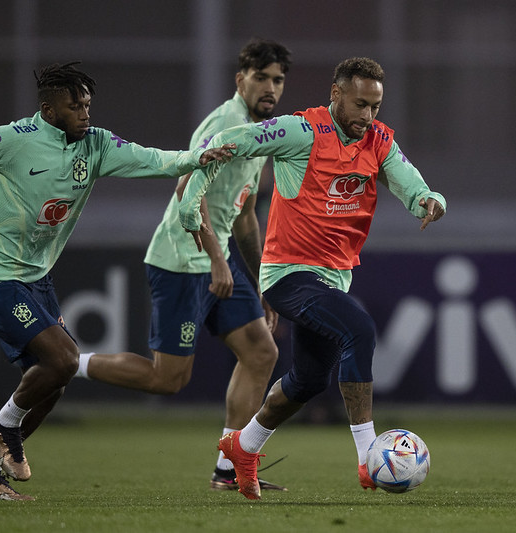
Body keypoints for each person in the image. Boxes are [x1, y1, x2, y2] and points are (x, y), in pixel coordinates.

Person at [0, 62, 234, 501]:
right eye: (75, 107)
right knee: (63, 359)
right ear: (49, 109)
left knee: (54, 380)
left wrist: (195, 157)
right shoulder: (13, 140)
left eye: (88, 104)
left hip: (36, 279)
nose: (85, 114)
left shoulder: (96, 145)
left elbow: (153, 159)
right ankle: (2, 424)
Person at [178, 57, 446, 500]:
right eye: (360, 104)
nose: (368, 116)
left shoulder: (378, 140)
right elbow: (228, 140)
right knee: (359, 329)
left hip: (334, 278)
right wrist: (194, 191)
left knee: (308, 380)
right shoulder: (300, 132)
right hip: (287, 273)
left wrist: (428, 200)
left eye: (375, 107)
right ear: (336, 94)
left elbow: (409, 181)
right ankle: (368, 457)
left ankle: (242, 447)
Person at [72, 38, 292, 492]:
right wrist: (216, 259)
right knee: (167, 379)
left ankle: (229, 468)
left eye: (278, 80)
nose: (271, 88)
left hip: (221, 255)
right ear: (241, 80)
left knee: (261, 351)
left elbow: (245, 213)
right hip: (182, 260)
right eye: (262, 78)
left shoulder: (262, 132)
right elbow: (186, 190)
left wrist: (263, 281)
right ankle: (66, 362)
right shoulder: (225, 124)